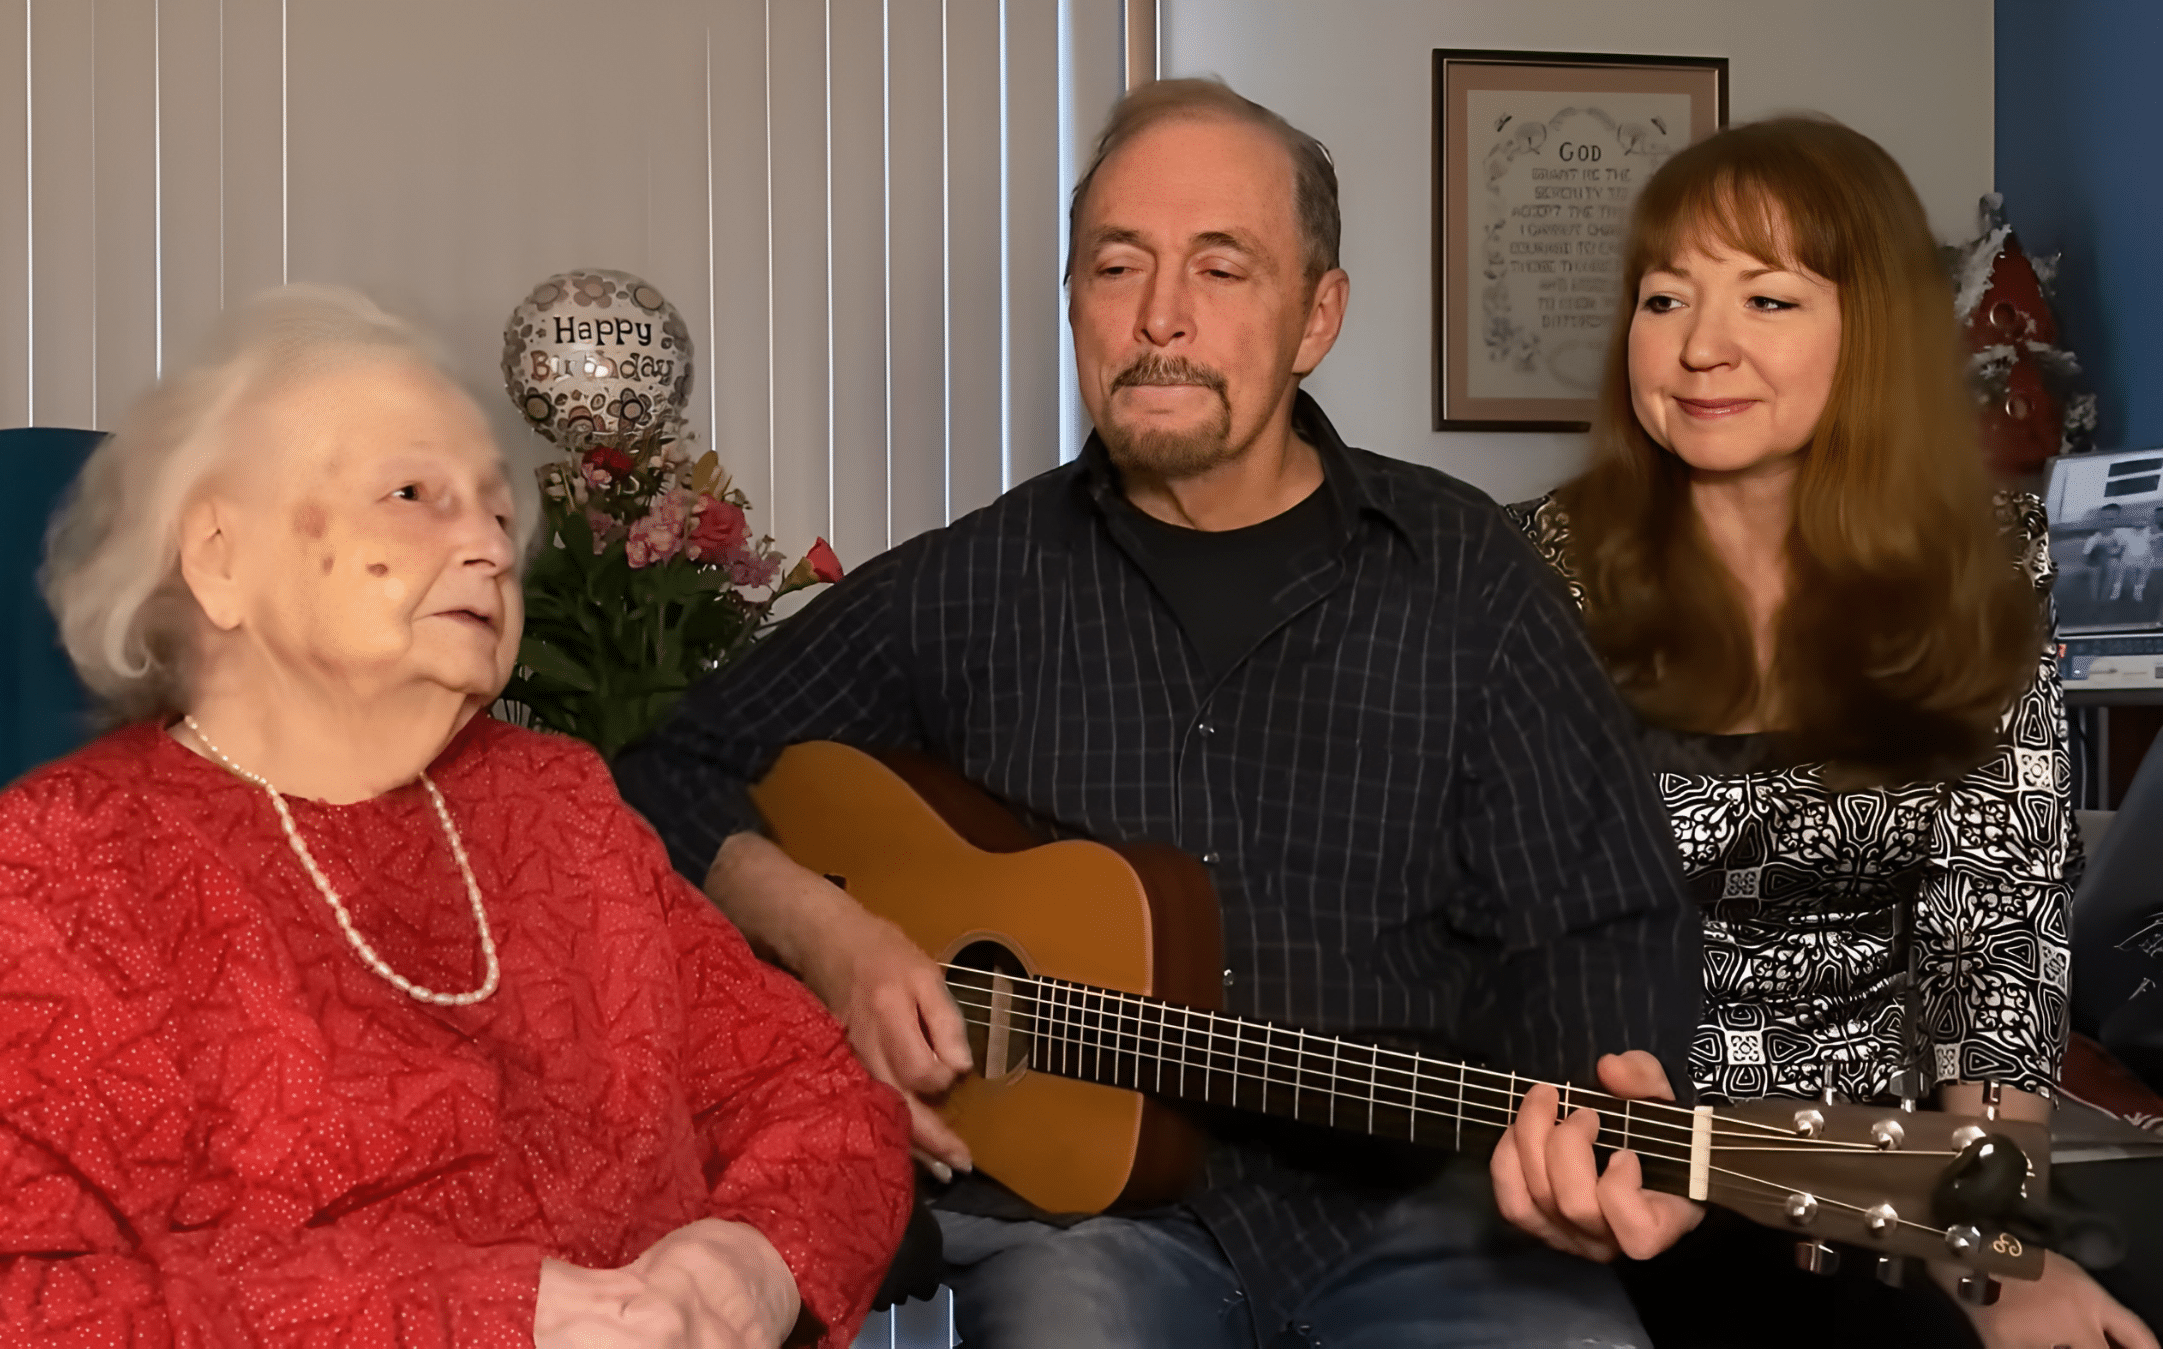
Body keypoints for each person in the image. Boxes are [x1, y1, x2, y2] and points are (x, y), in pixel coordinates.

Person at [612, 79, 1699, 1349]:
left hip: (1412, 1208)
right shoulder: (971, 583)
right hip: (1081, 1223)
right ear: (1074, 302)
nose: (1160, 316)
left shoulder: (1467, 579)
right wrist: (836, 943)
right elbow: (658, 776)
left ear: (1317, 316)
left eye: (1222, 269)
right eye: (1116, 265)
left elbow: (1599, 917)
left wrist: (1587, 1136)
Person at [0, 287, 911, 1348]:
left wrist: (751, 1260)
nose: (486, 545)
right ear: (221, 558)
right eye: (413, 495)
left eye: (497, 508)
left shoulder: (558, 807)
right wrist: (488, 1315)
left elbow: (816, 1095)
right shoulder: (56, 877)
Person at [1489, 117, 2157, 1349]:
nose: (1701, 345)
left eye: (1769, 297)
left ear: (1877, 331)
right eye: (1665, 295)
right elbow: (1492, 917)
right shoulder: (1534, 569)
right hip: (1605, 1161)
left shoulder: (1992, 568)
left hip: (1880, 1176)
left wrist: (1994, 1250)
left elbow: (1992, 944)